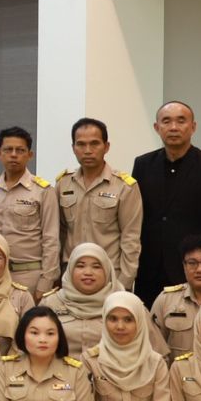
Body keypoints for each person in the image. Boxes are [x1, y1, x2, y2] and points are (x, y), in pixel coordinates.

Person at [131, 101, 201, 302]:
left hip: (194, 267)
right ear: (157, 127)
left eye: (181, 121)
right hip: (149, 267)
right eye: (166, 121)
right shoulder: (143, 164)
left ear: (193, 127)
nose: (173, 127)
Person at [54, 117, 142, 290]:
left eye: (94, 144)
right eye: (81, 144)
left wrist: (124, 283)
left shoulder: (124, 186)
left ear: (106, 147)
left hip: (110, 276)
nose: (88, 150)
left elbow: (130, 239)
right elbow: (59, 233)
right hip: (71, 274)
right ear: (73, 148)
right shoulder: (63, 183)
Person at [0, 127, 61, 297]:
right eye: (8, 150)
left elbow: (51, 239)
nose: (13, 155)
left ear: (30, 155)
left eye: (20, 150)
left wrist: (45, 282)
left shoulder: (43, 191)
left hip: (29, 276)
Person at [42, 243, 139, 358]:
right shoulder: (50, 303)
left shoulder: (127, 305)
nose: (88, 272)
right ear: (70, 270)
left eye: (96, 267)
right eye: (80, 266)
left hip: (111, 368)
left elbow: (151, 351)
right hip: (60, 368)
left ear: (107, 270)